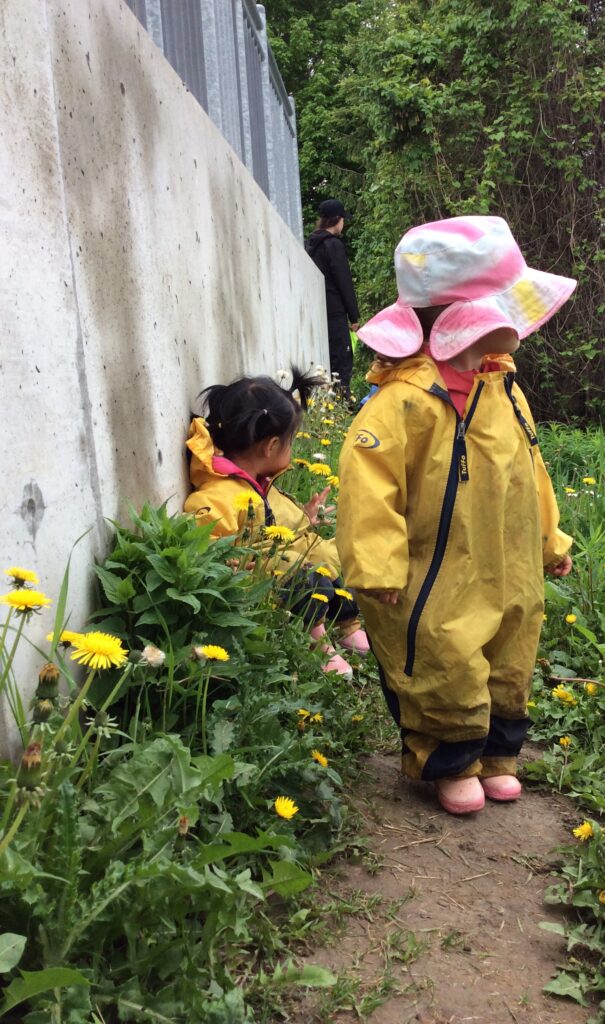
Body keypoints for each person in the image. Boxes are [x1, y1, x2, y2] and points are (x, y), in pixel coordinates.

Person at [336, 216, 575, 814]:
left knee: (510, 648)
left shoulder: (504, 390)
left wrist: (551, 539)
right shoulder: (402, 403)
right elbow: (369, 486)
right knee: (445, 651)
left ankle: (497, 756)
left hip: (508, 560)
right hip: (433, 569)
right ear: (472, 319)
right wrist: (378, 565)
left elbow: (531, 470)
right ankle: (452, 761)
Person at [184, 368, 369, 679]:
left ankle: (348, 624)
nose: (292, 449)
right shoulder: (219, 493)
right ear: (270, 447)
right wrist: (233, 565)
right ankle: (318, 644)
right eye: (290, 442)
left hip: (273, 566)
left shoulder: (255, 482)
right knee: (306, 575)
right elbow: (207, 543)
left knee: (329, 557)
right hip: (254, 583)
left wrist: (307, 519)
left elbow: (273, 527)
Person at [305, 199, 360, 401]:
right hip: (335, 311)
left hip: (318, 312)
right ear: (337, 220)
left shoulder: (311, 245)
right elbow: (344, 281)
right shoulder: (333, 245)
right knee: (342, 361)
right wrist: (354, 316)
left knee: (327, 360)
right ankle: (341, 403)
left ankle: (331, 404)